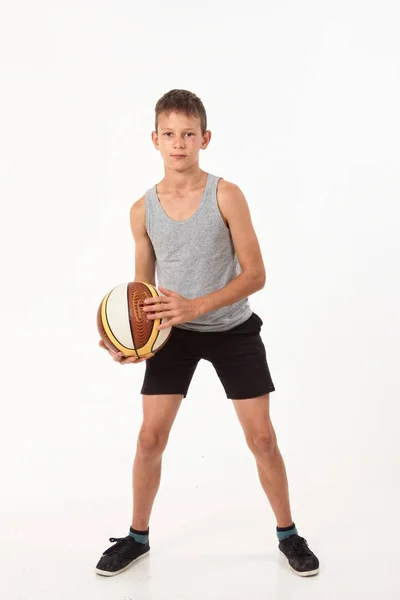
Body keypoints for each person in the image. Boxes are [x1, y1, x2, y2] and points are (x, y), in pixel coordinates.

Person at [96, 89, 319, 578]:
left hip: (233, 329)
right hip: (173, 334)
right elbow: (143, 292)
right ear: (154, 140)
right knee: (150, 438)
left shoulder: (226, 194)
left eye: (188, 134)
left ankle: (288, 534)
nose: (179, 143)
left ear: (205, 138)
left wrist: (197, 304)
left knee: (262, 439)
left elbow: (256, 275)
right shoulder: (141, 210)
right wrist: (130, 342)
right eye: (170, 134)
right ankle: (137, 538)